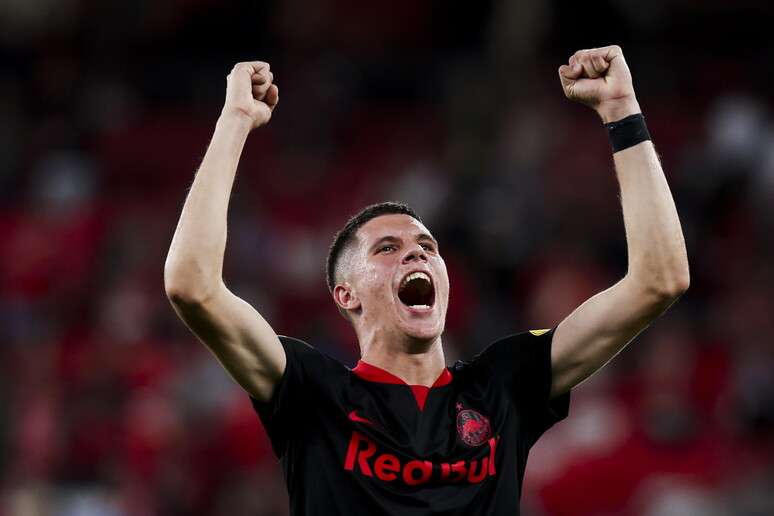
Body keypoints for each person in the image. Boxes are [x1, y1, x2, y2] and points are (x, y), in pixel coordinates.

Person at [164, 45, 689, 515]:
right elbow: (192, 286)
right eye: (387, 248)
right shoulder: (312, 392)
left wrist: (622, 112)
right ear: (346, 295)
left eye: (427, 247)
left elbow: (659, 280)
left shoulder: (503, 385)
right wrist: (235, 120)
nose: (416, 252)